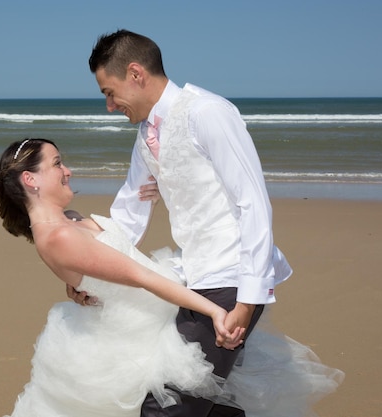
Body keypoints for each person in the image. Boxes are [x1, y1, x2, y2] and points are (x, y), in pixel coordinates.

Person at [81, 29, 296, 416]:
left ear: (135, 73)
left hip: (231, 279)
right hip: (195, 279)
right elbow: (127, 214)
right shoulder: (146, 135)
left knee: (167, 406)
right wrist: (86, 274)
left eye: (109, 92)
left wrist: (248, 301)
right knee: (215, 407)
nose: (110, 106)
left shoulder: (207, 113)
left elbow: (253, 205)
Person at [0, 138, 248, 417]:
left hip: (152, 320)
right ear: (30, 179)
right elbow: (142, 276)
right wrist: (213, 310)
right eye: (57, 164)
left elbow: (118, 250)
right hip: (140, 340)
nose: (68, 171)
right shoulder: (59, 236)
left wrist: (148, 200)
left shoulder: (69, 221)